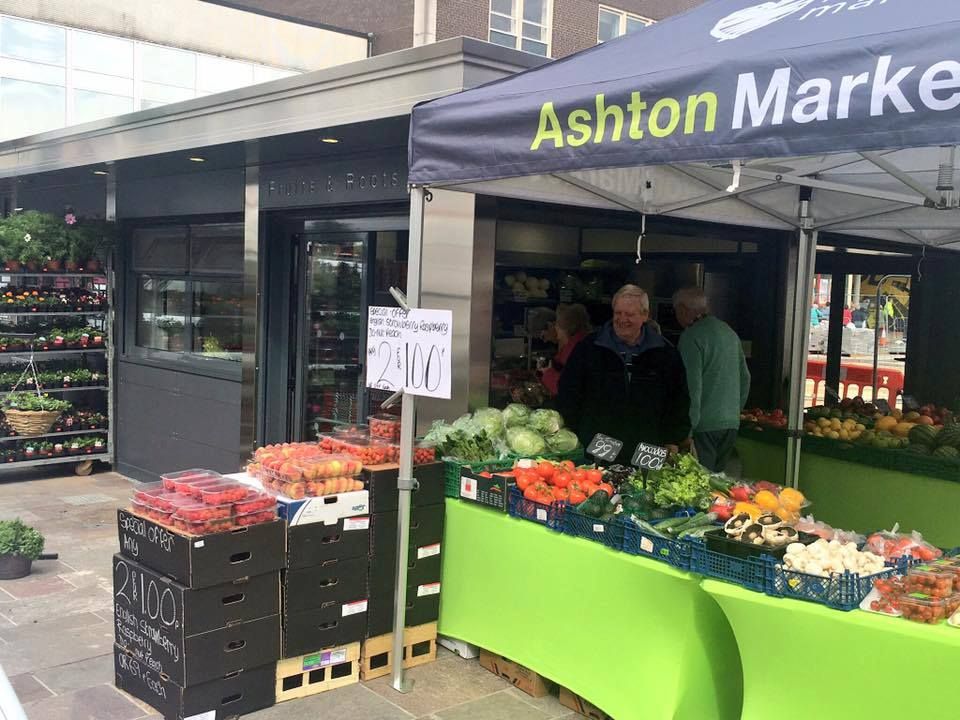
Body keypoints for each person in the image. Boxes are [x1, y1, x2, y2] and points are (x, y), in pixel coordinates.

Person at [558, 285, 690, 457]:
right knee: (600, 482)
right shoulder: (589, 348)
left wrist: (674, 438)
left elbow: (679, 399)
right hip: (600, 442)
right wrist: (576, 430)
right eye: (618, 313)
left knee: (647, 483)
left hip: (650, 444)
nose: (622, 319)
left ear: (645, 315)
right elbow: (569, 390)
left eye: (629, 314)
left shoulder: (665, 352)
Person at [673, 287, 751, 472]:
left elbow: (692, 387)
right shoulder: (729, 333)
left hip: (703, 426)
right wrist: (733, 412)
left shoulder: (691, 337)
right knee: (718, 484)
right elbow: (745, 378)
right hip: (730, 424)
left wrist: (686, 430)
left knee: (700, 485)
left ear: (683, 309)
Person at [541, 303, 591, 396]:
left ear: (565, 328)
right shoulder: (580, 341)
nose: (555, 327)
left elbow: (565, 386)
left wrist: (547, 373)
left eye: (557, 324)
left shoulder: (575, 349)